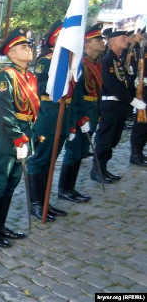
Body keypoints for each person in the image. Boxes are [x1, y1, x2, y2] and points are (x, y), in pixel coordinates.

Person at [0, 28, 38, 248]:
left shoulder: (31, 77)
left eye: (29, 46)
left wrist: (28, 135)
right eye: (23, 46)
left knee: (13, 180)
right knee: (0, 180)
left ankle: (1, 225)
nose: (29, 49)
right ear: (11, 53)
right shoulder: (6, 76)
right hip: (9, 136)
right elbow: (6, 112)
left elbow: (33, 109)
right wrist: (19, 138)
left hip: (26, 131)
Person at [26, 21, 69, 218]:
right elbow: (40, 86)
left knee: (51, 160)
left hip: (62, 116)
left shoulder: (69, 62)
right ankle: (36, 203)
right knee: (39, 159)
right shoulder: (46, 61)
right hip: (47, 116)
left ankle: (45, 202)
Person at [60, 23, 105, 201]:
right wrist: (80, 118)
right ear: (87, 43)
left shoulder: (96, 63)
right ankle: (65, 189)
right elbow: (75, 95)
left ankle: (70, 188)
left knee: (81, 150)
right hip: (80, 114)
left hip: (92, 113)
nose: (102, 42)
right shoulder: (80, 64)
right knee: (74, 150)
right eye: (98, 39)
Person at [93, 29, 145, 182]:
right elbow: (111, 85)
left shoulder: (118, 60)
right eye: (122, 37)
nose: (125, 39)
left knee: (112, 140)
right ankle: (97, 171)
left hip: (119, 106)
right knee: (105, 139)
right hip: (111, 105)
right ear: (112, 41)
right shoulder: (107, 59)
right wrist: (131, 100)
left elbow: (125, 81)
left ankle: (103, 169)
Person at [127, 28, 147, 166]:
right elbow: (132, 68)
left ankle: (139, 152)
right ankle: (135, 154)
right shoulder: (139, 51)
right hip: (142, 90)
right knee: (141, 124)